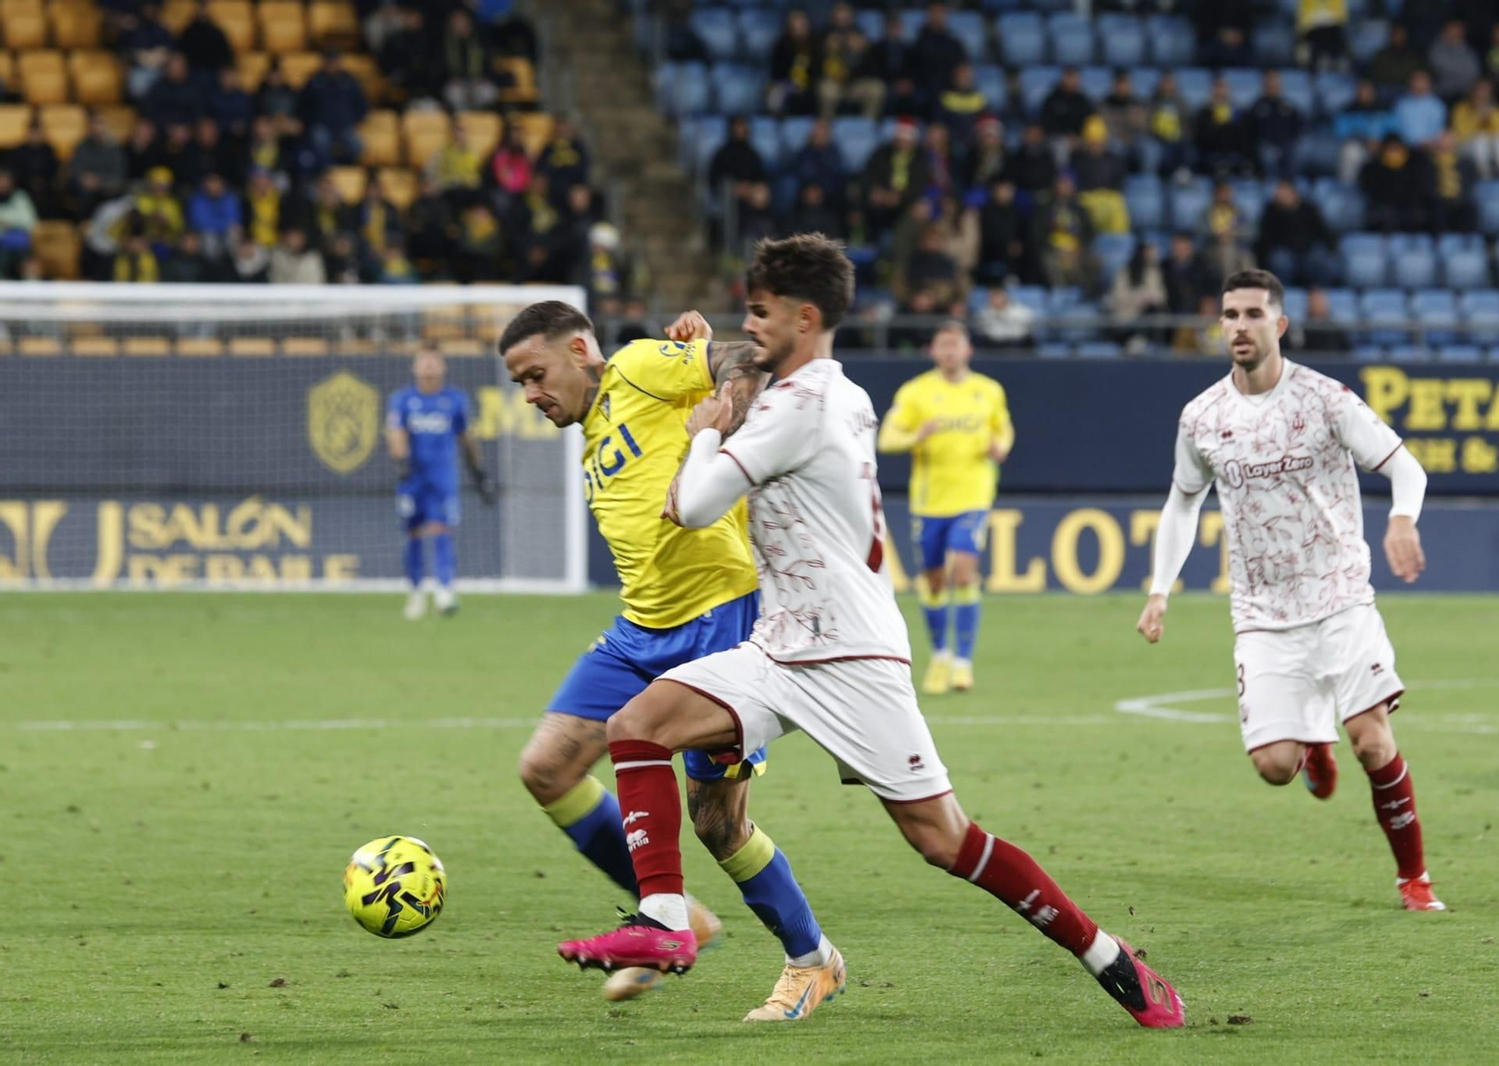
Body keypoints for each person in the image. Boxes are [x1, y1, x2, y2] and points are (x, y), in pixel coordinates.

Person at [552, 234, 1186, 1030]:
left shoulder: (798, 407)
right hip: (781, 644)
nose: (747, 325)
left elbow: (691, 505)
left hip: (853, 655)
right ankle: (666, 920)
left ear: (804, 317)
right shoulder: (840, 391)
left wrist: (706, 429)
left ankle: (1109, 957)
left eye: (760, 310)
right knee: (636, 727)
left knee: (944, 841)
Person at [496, 302, 836, 1019]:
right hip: (640, 630)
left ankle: (812, 961)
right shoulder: (594, 425)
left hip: (723, 619)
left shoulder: (639, 367)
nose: (530, 395)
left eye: (536, 374)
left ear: (581, 348)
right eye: (520, 384)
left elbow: (744, 360)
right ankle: (676, 913)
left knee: (718, 824)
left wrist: (724, 403)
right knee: (547, 769)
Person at [1135, 269, 1445, 913]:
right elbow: (1182, 503)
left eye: (1252, 314)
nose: (1239, 326)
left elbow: (1404, 467)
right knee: (1275, 767)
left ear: (1279, 325)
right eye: (1229, 315)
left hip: (1339, 596)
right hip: (1262, 611)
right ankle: (1309, 746)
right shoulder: (1203, 416)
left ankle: (1414, 878)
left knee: (1371, 737)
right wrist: (1160, 587)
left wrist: (1401, 519)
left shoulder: (1326, 399)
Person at [877, 322, 1013, 694]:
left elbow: (1003, 429)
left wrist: (1000, 447)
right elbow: (887, 438)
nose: (950, 351)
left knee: (965, 571)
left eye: (956, 345)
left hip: (973, 496)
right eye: (943, 345)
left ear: (968, 350)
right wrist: (914, 436)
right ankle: (939, 655)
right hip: (930, 501)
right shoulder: (917, 392)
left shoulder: (987, 391)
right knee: (934, 580)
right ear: (933, 352)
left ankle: (963, 663)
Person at [385, 346, 493, 619]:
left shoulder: (455, 400)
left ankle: (445, 591)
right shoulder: (403, 400)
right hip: (413, 478)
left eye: (434, 362)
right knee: (413, 534)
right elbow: (396, 433)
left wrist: (478, 471)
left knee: (442, 530)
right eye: (424, 362)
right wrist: (401, 462)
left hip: (443, 478)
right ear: (415, 367)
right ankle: (416, 592)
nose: (429, 367)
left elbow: (466, 437)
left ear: (443, 367)